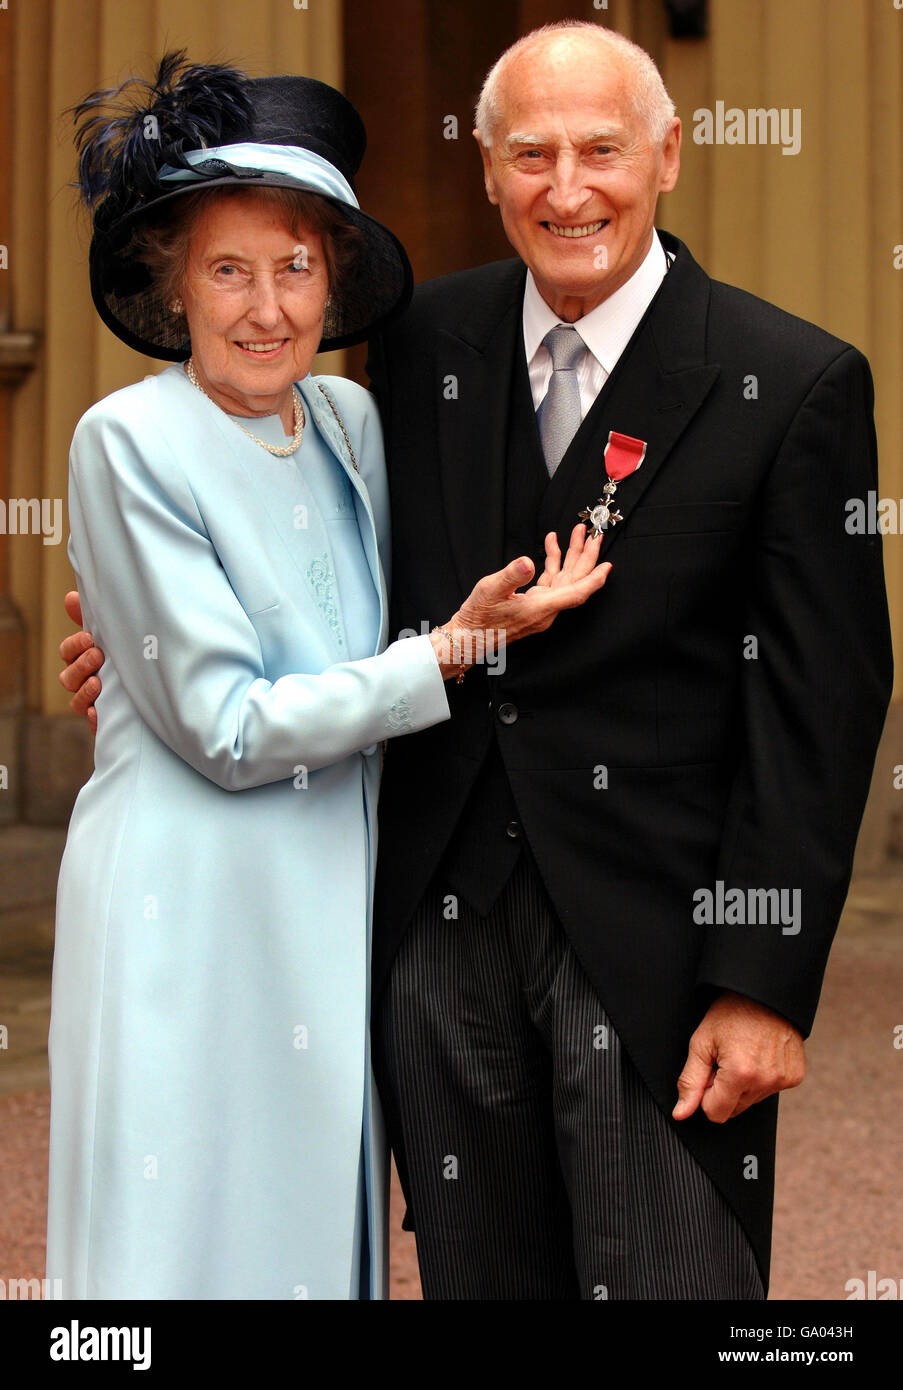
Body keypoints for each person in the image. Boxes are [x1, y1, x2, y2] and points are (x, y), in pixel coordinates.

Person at [63, 24, 894, 1300]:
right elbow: (330, 590)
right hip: (430, 946)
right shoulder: (419, 346)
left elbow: (821, 711)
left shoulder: (791, 383)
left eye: (602, 150)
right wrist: (137, 646)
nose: (569, 189)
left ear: (668, 156)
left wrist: (764, 986)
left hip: (658, 957)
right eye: (532, 154)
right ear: (489, 173)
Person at [48, 51, 611, 1301]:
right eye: (228, 269)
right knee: (177, 1232)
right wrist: (452, 652)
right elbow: (230, 726)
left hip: (335, 887)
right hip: (184, 901)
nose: (267, 308)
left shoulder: (351, 427)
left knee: (305, 1229)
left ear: (333, 278)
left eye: (295, 266)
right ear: (168, 282)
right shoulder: (126, 439)